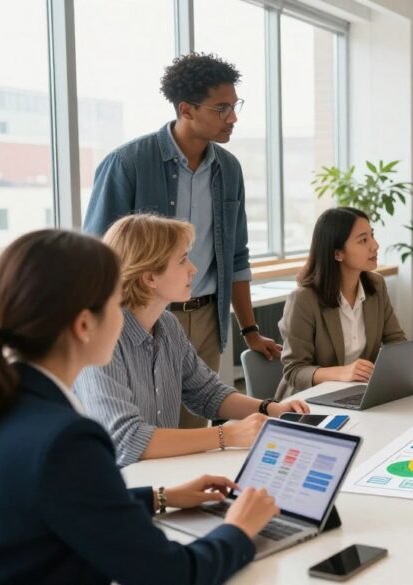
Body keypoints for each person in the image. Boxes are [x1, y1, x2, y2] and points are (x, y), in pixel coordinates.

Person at [0, 229, 279, 585]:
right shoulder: (67, 439)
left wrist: (161, 497)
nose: (122, 314)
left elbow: (68, 500)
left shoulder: (8, 402)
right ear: (83, 325)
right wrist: (239, 530)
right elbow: (172, 574)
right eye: (113, 303)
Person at [84, 52, 280, 429]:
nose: (233, 118)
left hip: (205, 315)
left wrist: (250, 330)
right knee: (137, 430)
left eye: (235, 106)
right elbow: (99, 254)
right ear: (186, 109)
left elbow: (236, 255)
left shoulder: (229, 168)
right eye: (222, 108)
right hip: (136, 317)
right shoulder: (127, 163)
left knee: (193, 427)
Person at [74, 214, 309, 467]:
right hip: (110, 487)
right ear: (150, 277)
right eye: (183, 260)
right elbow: (127, 440)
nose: (193, 269)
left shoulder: (167, 325)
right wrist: (227, 435)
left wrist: (270, 409)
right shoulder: (100, 339)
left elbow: (207, 393)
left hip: (158, 477)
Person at [277, 207, 406, 397]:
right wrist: (343, 372)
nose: (375, 245)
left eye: (372, 235)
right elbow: (294, 371)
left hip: (357, 394)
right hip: (308, 402)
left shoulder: (376, 286)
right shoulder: (303, 300)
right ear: (338, 253)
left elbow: (397, 342)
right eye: (363, 240)